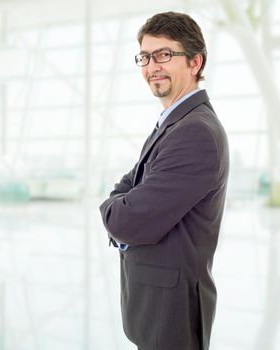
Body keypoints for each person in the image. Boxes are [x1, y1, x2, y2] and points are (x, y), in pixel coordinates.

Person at [99, 11, 229, 350]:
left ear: (195, 62)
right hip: (158, 308)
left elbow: (128, 219)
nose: (152, 66)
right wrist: (122, 200)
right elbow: (126, 187)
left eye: (164, 55)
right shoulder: (174, 124)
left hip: (172, 314)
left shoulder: (194, 132)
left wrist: (115, 210)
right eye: (145, 56)